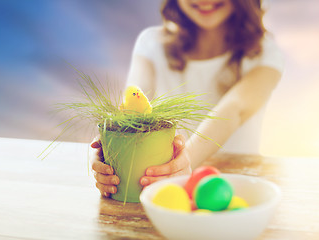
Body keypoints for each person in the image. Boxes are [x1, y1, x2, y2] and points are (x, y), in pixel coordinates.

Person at [91, 0, 284, 197]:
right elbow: (133, 105)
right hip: (164, 189)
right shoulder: (151, 43)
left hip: (239, 189)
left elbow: (235, 108)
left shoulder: (264, 52)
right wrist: (110, 146)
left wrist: (185, 162)